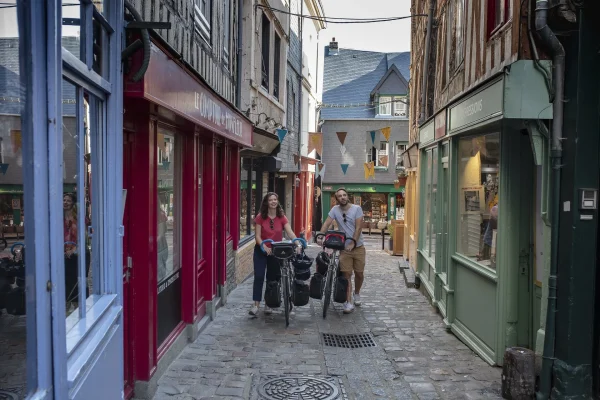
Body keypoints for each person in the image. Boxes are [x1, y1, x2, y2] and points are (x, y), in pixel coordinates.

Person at [249, 192, 299, 316]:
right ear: (266, 202)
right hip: (261, 250)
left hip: (275, 252)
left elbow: (290, 232)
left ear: (277, 201)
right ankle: (256, 304)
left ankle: (268, 303)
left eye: (275, 199)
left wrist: (297, 242)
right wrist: (264, 246)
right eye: (270, 200)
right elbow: (257, 236)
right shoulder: (260, 217)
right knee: (259, 276)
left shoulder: (282, 217)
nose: (273, 201)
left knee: (272, 278)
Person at [317, 187, 365, 314]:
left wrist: (353, 242)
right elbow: (327, 223)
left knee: (359, 274)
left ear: (347, 196)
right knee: (346, 275)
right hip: (344, 248)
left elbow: (359, 227)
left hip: (358, 246)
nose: (342, 197)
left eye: (344, 195)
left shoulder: (356, 208)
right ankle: (348, 302)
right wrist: (320, 235)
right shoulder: (335, 210)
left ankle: (357, 293)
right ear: (336, 198)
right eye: (339, 196)